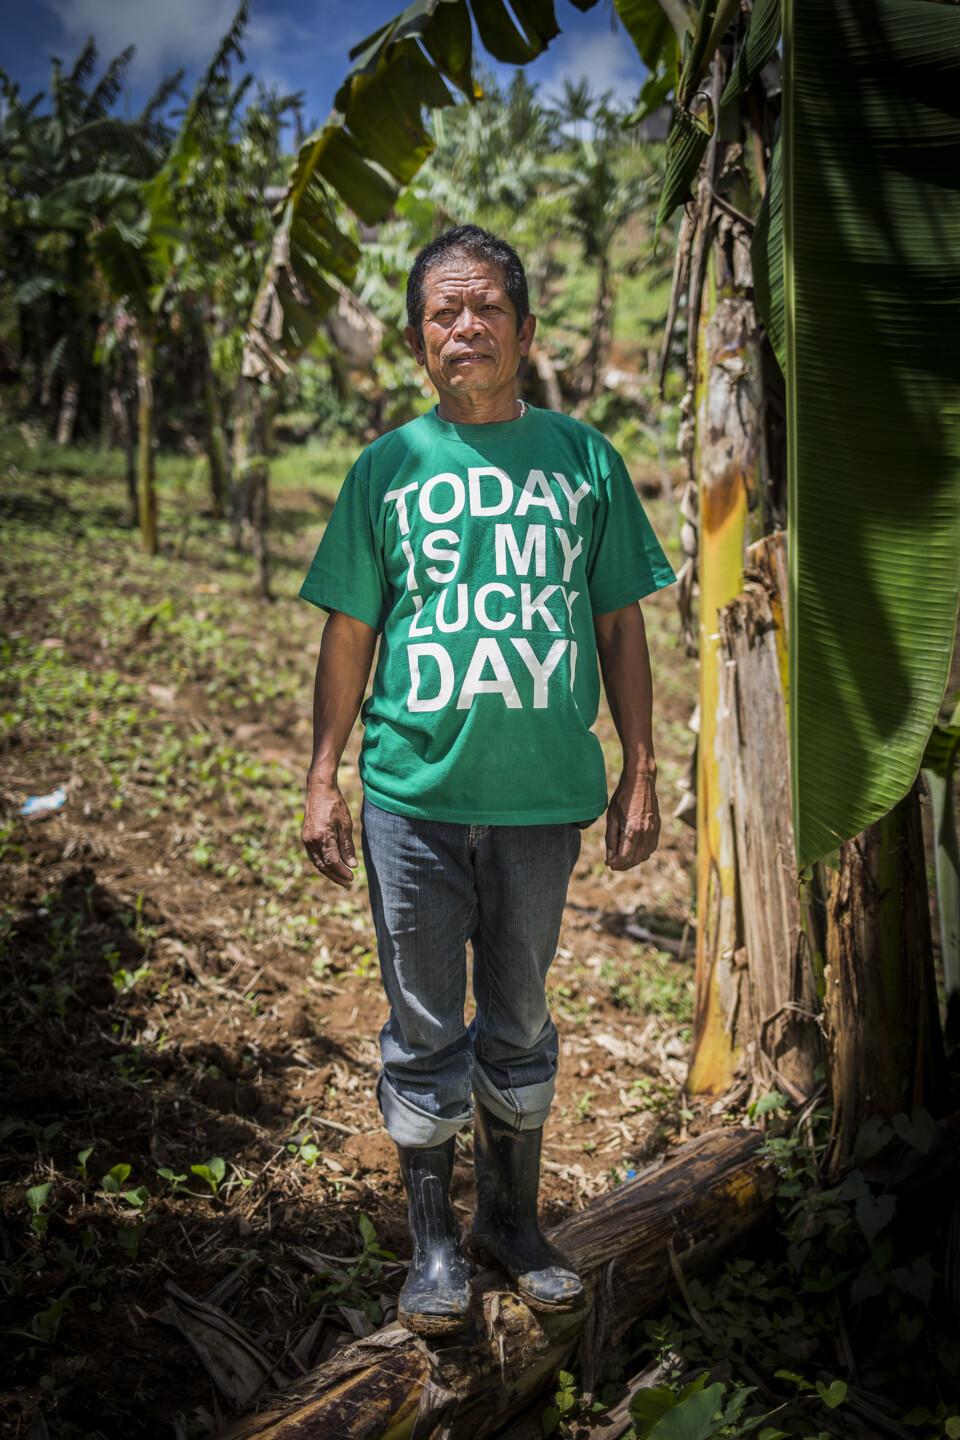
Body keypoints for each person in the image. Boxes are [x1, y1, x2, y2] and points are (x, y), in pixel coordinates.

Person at [299, 225, 675, 1336]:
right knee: (423, 1030)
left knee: (517, 1020)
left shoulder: (584, 459)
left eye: (483, 310)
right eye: (440, 315)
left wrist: (643, 766)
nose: (462, 328)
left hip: (539, 802)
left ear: (522, 326)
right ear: (419, 341)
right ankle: (431, 1253)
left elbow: (620, 622)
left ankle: (511, 1224)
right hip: (411, 795)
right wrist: (323, 774)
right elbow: (349, 631)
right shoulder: (387, 468)